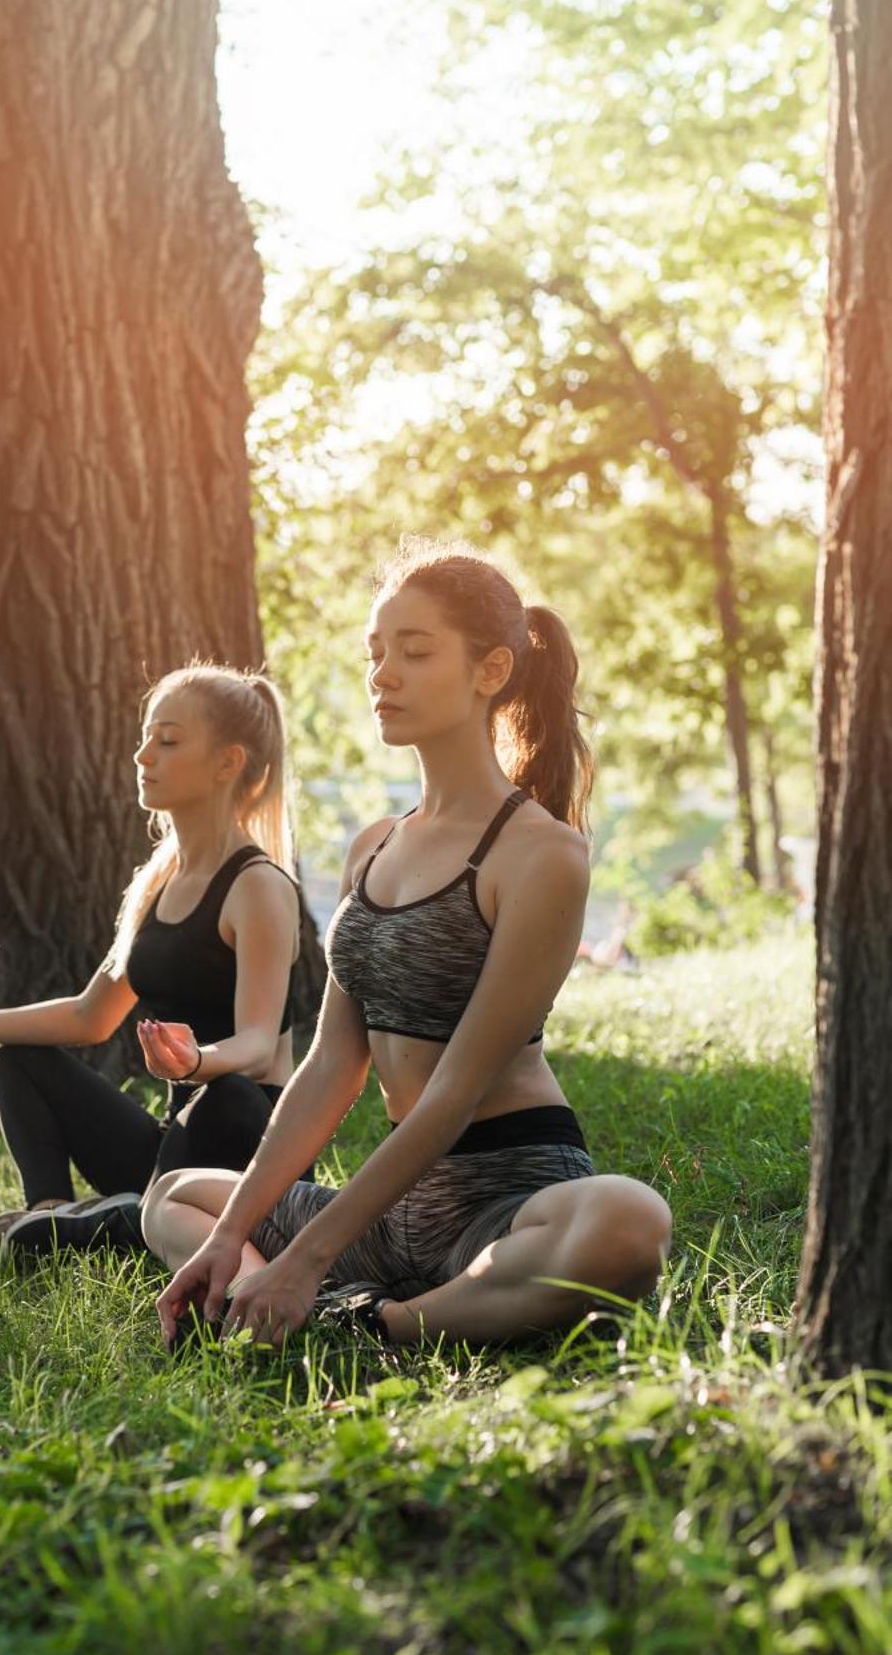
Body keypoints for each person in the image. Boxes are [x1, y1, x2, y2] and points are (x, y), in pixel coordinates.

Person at [143, 540, 673, 1349]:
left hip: (506, 1193)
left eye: (414, 651)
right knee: (175, 1197)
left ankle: (379, 1325)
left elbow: (456, 1089)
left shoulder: (541, 856)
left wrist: (309, 1255)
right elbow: (328, 1067)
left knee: (628, 1222)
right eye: (374, 652)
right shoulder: (373, 847)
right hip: (393, 1200)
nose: (381, 675)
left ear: (490, 670)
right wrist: (233, 1238)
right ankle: (269, 1302)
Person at [0, 664, 304, 1267]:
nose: (142, 755)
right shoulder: (160, 880)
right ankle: (54, 1220)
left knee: (228, 1093)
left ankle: (112, 1225)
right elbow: (89, 1017)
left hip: (245, 1150)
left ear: (227, 762)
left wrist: (197, 1063)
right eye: (145, 737)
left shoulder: (258, 886)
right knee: (22, 1062)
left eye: (168, 740)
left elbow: (261, 1048)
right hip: (172, 1149)